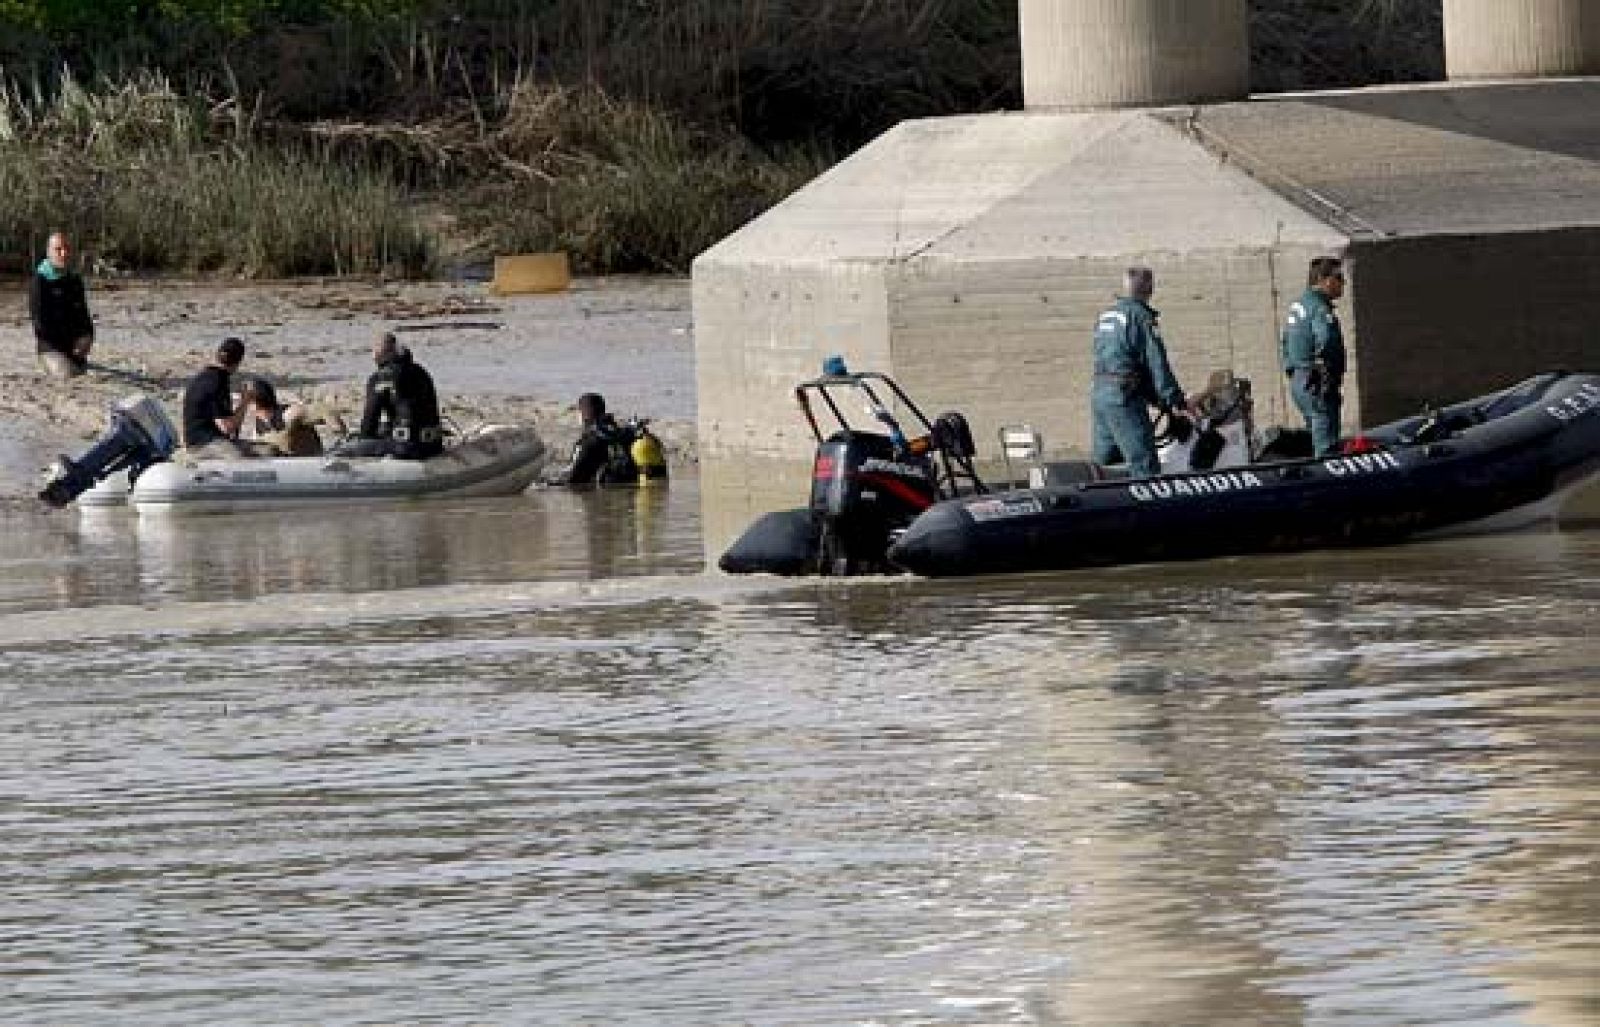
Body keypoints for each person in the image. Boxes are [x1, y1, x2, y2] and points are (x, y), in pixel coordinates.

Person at [1089, 267, 1187, 479]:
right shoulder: (1142, 317)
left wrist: (1155, 399)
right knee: (1144, 465)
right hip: (1123, 398)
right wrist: (1174, 400)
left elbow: (1116, 359)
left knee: (1105, 464)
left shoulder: (1106, 316)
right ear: (1150, 288)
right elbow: (1157, 364)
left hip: (1099, 395)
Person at [336, 332, 443, 459]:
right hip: (434, 445)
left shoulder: (380, 378)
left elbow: (369, 422)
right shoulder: (421, 371)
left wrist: (362, 442)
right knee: (385, 429)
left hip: (407, 448)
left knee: (343, 449)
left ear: (376, 355)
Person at [1282, 256, 1348, 457]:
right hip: (1317, 381)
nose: (1343, 283)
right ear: (1324, 280)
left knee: (1315, 432)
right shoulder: (1319, 308)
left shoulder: (1300, 305)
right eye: (1339, 278)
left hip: (1300, 380)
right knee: (1326, 444)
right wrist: (1323, 365)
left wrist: (1294, 370)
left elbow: (1285, 342)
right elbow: (1326, 338)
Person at [28, 231, 95, 379]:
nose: (63, 253)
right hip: (50, 348)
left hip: (75, 349)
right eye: (58, 249)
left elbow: (84, 315)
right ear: (48, 252)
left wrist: (87, 336)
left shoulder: (74, 280)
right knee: (68, 375)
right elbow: (40, 326)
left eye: (66, 248)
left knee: (80, 373)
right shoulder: (39, 282)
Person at [543, 392, 638, 487]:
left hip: (605, 493)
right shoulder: (622, 433)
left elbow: (571, 479)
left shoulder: (588, 441)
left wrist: (544, 482)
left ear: (582, 414)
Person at [181, 337, 247, 457]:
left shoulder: (205, 376)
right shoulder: (217, 382)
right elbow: (227, 427)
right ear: (238, 362)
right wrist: (245, 401)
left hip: (201, 439)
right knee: (241, 460)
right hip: (202, 444)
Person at [239, 378, 337, 457]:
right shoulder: (257, 429)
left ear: (253, 404)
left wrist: (339, 433)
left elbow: (323, 410)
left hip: (313, 465)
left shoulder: (289, 414)